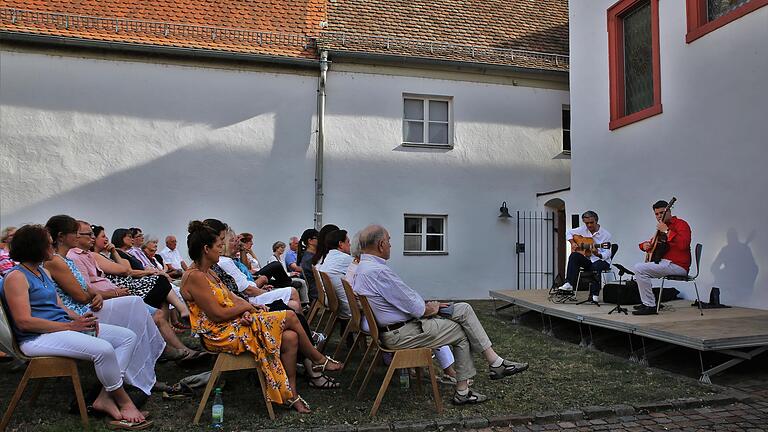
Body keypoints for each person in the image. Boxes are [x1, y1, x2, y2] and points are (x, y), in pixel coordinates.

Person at [352, 224, 528, 405]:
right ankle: (464, 390)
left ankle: (494, 362)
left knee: (464, 309)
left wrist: (428, 306)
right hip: (402, 332)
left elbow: (405, 301)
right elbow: (416, 308)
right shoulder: (379, 272)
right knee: (461, 332)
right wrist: (430, 307)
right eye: (389, 241)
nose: (391, 245)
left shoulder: (362, 269)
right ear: (381, 244)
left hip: (394, 328)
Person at [180, 221, 343, 413]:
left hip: (231, 325)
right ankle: (318, 359)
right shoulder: (195, 277)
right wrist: (247, 307)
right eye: (218, 245)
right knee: (290, 315)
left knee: (291, 337)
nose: (221, 249)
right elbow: (217, 314)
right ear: (206, 249)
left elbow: (234, 300)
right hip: (219, 334)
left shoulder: (208, 273)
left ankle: (291, 394)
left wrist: (247, 310)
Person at [0, 224, 150, 426]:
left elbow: (60, 307)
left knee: (127, 337)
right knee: (103, 349)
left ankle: (105, 397)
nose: (53, 246)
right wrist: (69, 327)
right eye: (49, 243)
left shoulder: (43, 272)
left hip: (59, 328)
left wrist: (78, 320)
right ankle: (124, 402)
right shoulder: (16, 277)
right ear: (36, 247)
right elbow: (24, 322)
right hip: (36, 338)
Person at [43, 216, 165, 396]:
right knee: (133, 305)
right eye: (74, 233)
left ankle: (139, 371)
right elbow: (80, 295)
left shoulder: (64, 259)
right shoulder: (55, 261)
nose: (78, 236)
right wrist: (97, 295)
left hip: (87, 306)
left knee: (135, 304)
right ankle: (129, 376)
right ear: (61, 237)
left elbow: (86, 287)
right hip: (79, 312)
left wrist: (97, 294)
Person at [632, 200, 692, 316]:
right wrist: (644, 246)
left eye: (661, 213)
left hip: (678, 265)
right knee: (639, 269)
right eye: (656, 214)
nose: (659, 216)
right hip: (666, 263)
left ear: (669, 211)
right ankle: (647, 303)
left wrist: (666, 231)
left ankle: (650, 305)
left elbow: (683, 244)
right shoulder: (662, 228)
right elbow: (652, 243)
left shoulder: (681, 224)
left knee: (639, 269)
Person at [557, 211, 613, 303]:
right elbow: (568, 232)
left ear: (596, 221)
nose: (589, 225)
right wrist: (573, 243)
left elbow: (607, 254)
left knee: (596, 266)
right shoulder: (582, 229)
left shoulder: (606, 235)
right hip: (588, 259)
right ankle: (569, 283)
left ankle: (594, 295)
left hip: (601, 261)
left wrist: (597, 253)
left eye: (591, 222)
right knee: (574, 256)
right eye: (587, 223)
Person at [317, 229, 353, 318]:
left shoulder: (329, 257)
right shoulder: (345, 259)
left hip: (335, 303)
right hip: (349, 308)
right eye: (348, 242)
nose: (350, 244)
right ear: (340, 244)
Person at [297, 229, 319, 303]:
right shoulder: (310, 259)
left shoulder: (307, 255)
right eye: (317, 237)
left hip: (314, 290)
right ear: (310, 241)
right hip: (316, 292)